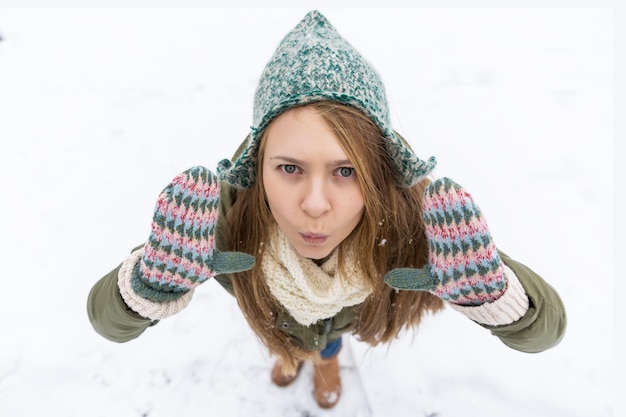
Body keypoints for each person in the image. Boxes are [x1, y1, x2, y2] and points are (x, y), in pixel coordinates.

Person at [87, 10, 566, 410]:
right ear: (258, 167)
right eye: (290, 168)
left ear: (377, 172)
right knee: (286, 336)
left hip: (350, 316)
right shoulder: (216, 222)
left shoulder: (424, 226)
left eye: (345, 171)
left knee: (328, 339)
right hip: (273, 314)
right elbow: (107, 321)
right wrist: (152, 284)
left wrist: (493, 298)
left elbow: (546, 333)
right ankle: (291, 352)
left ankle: (325, 356)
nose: (314, 205)